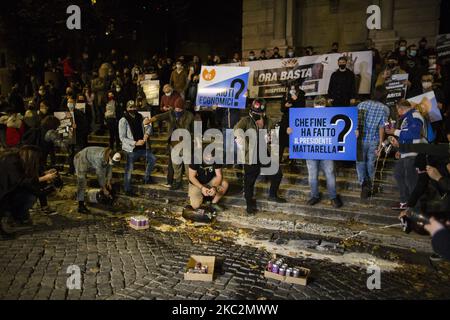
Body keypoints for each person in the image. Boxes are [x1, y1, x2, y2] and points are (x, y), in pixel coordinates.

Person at [234, 98, 285, 214]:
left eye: (258, 113)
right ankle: (249, 203)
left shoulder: (269, 121)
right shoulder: (246, 120)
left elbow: (274, 135)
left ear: (263, 112)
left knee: (277, 174)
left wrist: (271, 137)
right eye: (254, 112)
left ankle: (272, 194)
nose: (255, 114)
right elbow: (237, 129)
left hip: (264, 152)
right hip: (251, 155)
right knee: (249, 181)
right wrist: (240, 137)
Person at [0, 146, 58, 238]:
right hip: (4, 195)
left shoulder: (18, 159)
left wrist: (44, 174)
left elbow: (25, 178)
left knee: (32, 192)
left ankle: (17, 218)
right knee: (30, 195)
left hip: (9, 192)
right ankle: (12, 217)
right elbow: (20, 181)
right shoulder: (12, 161)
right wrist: (43, 178)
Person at [298, 96, 343, 208]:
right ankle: (314, 196)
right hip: (311, 151)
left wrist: (353, 133)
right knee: (312, 175)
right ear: (313, 107)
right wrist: (291, 131)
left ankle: (333, 197)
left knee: (330, 173)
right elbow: (299, 129)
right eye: (317, 109)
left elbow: (340, 130)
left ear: (326, 107)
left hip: (327, 151)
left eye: (322, 109)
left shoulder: (332, 116)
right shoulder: (307, 116)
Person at [144, 97, 194, 190]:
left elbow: (194, 130)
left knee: (188, 165)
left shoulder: (190, 115)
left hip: (186, 142)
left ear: (183, 108)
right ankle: (178, 182)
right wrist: (150, 120)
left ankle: (192, 182)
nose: (177, 110)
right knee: (176, 165)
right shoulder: (171, 113)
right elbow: (159, 116)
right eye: (176, 108)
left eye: (179, 109)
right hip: (174, 143)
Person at [386, 100, 427, 210]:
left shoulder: (414, 115)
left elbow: (415, 133)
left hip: (414, 153)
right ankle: (405, 202)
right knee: (398, 174)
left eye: (397, 109)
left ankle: (416, 209)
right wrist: (400, 148)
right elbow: (408, 136)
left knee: (411, 180)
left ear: (400, 108)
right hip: (407, 152)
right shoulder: (408, 117)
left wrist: (395, 131)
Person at [356, 86, 390, 199]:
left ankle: (363, 184)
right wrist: (381, 143)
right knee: (371, 163)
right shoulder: (384, 108)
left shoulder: (361, 105)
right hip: (374, 139)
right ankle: (370, 184)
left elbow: (355, 122)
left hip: (359, 139)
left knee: (360, 162)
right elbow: (382, 127)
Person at [119, 101, 156, 196]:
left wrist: (147, 133)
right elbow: (122, 138)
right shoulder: (123, 120)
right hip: (131, 149)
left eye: (134, 107)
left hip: (143, 147)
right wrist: (135, 142)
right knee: (129, 169)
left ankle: (146, 178)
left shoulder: (140, 116)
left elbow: (148, 127)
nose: (133, 109)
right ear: (127, 108)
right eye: (130, 107)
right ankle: (127, 189)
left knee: (152, 159)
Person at [74, 146, 121, 214]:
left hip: (90, 160)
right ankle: (80, 206)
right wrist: (104, 189)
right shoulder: (99, 158)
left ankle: (83, 195)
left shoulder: (110, 154)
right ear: (109, 157)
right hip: (81, 159)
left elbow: (110, 168)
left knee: (104, 171)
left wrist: (108, 181)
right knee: (82, 182)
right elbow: (100, 175)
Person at [279, 82, 305, 162]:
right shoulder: (286, 94)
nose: (292, 89)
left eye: (294, 87)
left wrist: (296, 100)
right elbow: (282, 109)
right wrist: (285, 106)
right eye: (291, 87)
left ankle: (292, 159)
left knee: (293, 139)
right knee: (282, 139)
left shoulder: (300, 94)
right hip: (286, 119)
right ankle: (279, 157)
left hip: (295, 120)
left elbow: (302, 108)